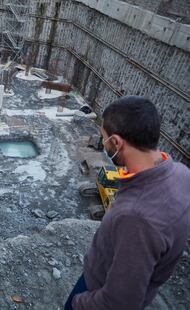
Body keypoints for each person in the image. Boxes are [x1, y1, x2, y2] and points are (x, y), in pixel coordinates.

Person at [65, 96, 190, 310]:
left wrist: (78, 303)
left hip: (96, 287)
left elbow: (119, 302)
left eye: (104, 138)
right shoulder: (181, 173)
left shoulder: (136, 219)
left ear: (116, 142)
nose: (102, 144)